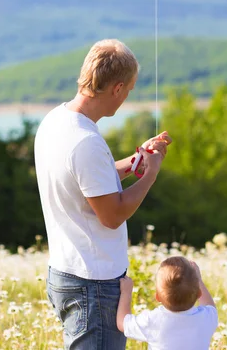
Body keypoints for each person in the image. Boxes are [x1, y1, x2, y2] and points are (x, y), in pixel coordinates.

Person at [34, 39, 172, 349]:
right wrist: (150, 173)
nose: (127, 98)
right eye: (130, 90)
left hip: (67, 272)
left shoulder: (56, 121)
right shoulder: (86, 141)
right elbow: (112, 215)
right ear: (118, 88)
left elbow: (86, 179)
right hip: (92, 285)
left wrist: (134, 162)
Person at [116, 257, 218, 349]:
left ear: (157, 297)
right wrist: (199, 280)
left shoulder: (153, 320)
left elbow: (123, 323)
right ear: (199, 293)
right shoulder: (205, 318)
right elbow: (209, 305)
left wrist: (126, 292)